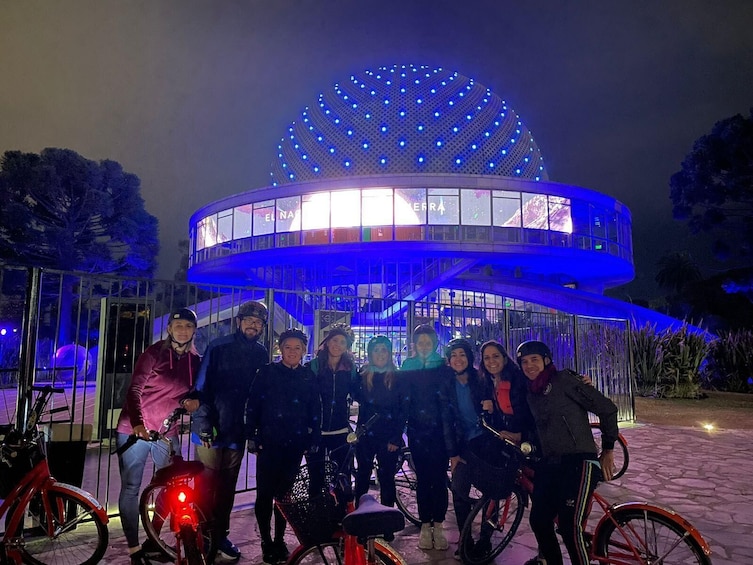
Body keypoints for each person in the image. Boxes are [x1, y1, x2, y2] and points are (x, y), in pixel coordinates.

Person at [516, 340, 618, 565]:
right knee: (540, 520)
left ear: (546, 360)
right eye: (524, 361)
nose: (529, 365)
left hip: (579, 461)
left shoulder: (564, 380)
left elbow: (608, 409)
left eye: (534, 359)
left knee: (569, 526)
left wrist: (608, 449)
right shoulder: (530, 392)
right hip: (550, 463)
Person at [115, 308, 202, 565]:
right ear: (169, 329)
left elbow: (196, 391)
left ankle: (153, 537)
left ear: (194, 331)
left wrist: (193, 400)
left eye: (188, 326)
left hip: (167, 431)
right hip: (136, 430)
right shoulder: (154, 353)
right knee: (131, 487)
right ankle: (133, 549)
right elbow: (134, 390)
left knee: (171, 484)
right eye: (178, 325)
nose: (182, 330)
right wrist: (138, 423)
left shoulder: (195, 361)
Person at [191, 300, 269, 562]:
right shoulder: (218, 347)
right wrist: (202, 422)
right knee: (205, 485)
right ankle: (201, 535)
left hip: (237, 431)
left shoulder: (261, 353)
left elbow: (259, 394)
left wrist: (254, 429)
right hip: (211, 429)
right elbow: (200, 386)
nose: (253, 325)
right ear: (238, 321)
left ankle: (220, 534)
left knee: (226, 488)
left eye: (258, 323)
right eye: (249, 320)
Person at [246, 329, 321, 565]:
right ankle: (266, 541)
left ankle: (280, 539)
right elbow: (253, 404)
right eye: (287, 347)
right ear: (280, 349)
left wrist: (313, 438)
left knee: (285, 495)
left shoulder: (308, 377)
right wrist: (252, 435)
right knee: (265, 494)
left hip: (295, 443)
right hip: (269, 442)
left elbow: (314, 410)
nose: (292, 352)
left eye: (297, 348)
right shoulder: (267, 373)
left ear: (303, 351)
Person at [401, 324, 454, 551]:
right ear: (415, 344)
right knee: (422, 478)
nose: (424, 346)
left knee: (439, 477)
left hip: (439, 432)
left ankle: (439, 524)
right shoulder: (408, 366)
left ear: (434, 344)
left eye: (428, 342)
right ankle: (425, 524)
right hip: (417, 431)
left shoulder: (443, 366)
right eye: (420, 342)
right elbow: (403, 398)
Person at [443, 339, 494, 560]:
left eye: (462, 354)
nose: (458, 359)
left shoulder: (482, 380)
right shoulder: (446, 385)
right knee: (459, 491)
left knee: (491, 494)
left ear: (469, 357)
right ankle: (466, 541)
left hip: (486, 443)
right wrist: (453, 453)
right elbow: (446, 421)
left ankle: (486, 539)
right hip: (463, 446)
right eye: (453, 355)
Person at [353, 336, 406, 510]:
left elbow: (401, 410)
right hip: (366, 435)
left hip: (388, 436)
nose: (380, 354)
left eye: (384, 350)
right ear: (370, 354)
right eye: (376, 350)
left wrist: (396, 437)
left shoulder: (397, 378)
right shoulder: (362, 376)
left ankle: (388, 519)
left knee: (387, 478)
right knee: (362, 476)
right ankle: (360, 517)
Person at [306, 324, 359, 473]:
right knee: (316, 479)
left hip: (340, 430)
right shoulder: (313, 366)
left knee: (342, 477)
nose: (338, 345)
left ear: (347, 346)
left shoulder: (350, 368)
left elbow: (357, 393)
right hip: (315, 431)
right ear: (328, 342)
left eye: (343, 342)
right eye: (335, 340)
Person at [478, 340, 534, 444]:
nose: (491, 361)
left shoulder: (519, 381)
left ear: (504, 359)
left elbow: (531, 415)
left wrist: (522, 435)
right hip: (506, 438)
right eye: (487, 358)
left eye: (496, 356)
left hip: (527, 441)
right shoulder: (487, 383)